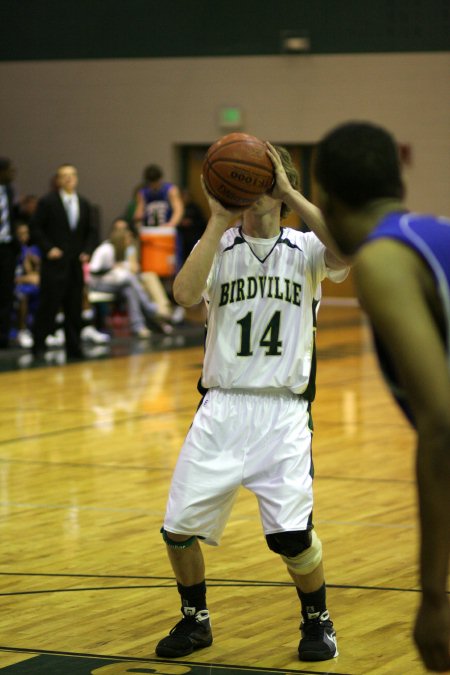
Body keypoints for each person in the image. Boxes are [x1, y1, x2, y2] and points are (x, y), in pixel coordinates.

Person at [155, 145, 349, 662]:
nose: (257, 188)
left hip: (282, 412)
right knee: (177, 531)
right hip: (220, 405)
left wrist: (288, 190)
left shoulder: (306, 247)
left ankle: (317, 620)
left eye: (266, 178)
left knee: (291, 538)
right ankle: (194, 620)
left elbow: (347, 250)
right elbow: (183, 295)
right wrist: (217, 218)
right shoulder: (217, 247)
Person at [310, 121, 450, 673]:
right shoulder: (436, 233)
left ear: (326, 198)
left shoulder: (383, 259)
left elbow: (441, 424)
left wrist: (434, 599)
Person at [30, 164, 98, 359]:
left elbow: (91, 231)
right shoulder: (47, 202)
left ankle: (74, 348)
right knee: (48, 306)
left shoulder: (84, 203)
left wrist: (87, 251)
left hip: (75, 265)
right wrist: (48, 248)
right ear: (58, 180)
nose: (68, 179)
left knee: (74, 308)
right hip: (54, 265)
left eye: (71, 175)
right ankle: (39, 347)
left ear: (76, 178)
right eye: (64, 176)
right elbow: (35, 228)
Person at [87, 221, 171, 338]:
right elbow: (93, 270)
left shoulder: (123, 251)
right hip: (98, 283)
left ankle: (138, 326)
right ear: (120, 240)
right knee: (129, 278)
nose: (129, 242)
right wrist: (111, 268)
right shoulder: (106, 249)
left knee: (130, 290)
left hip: (114, 283)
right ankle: (151, 309)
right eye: (127, 240)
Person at [0, 157, 20, 349]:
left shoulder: (9, 190)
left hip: (6, 247)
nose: (13, 174)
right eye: (10, 170)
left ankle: (3, 338)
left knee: (6, 293)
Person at [13, 221, 41, 348]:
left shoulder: (28, 250)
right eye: (21, 234)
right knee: (23, 296)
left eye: (26, 233)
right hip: (14, 285)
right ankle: (22, 331)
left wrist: (32, 262)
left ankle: (47, 328)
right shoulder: (10, 251)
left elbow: (31, 271)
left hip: (24, 282)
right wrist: (28, 278)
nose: (24, 237)